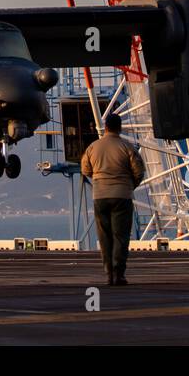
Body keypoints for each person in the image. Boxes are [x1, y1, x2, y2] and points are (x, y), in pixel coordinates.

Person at [80, 112, 145, 285]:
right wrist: (129, 185)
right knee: (120, 236)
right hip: (122, 195)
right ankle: (119, 273)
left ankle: (108, 273)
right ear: (120, 127)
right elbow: (139, 171)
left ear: (106, 127)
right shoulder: (127, 147)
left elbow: (85, 170)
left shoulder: (93, 147)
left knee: (105, 237)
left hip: (100, 195)